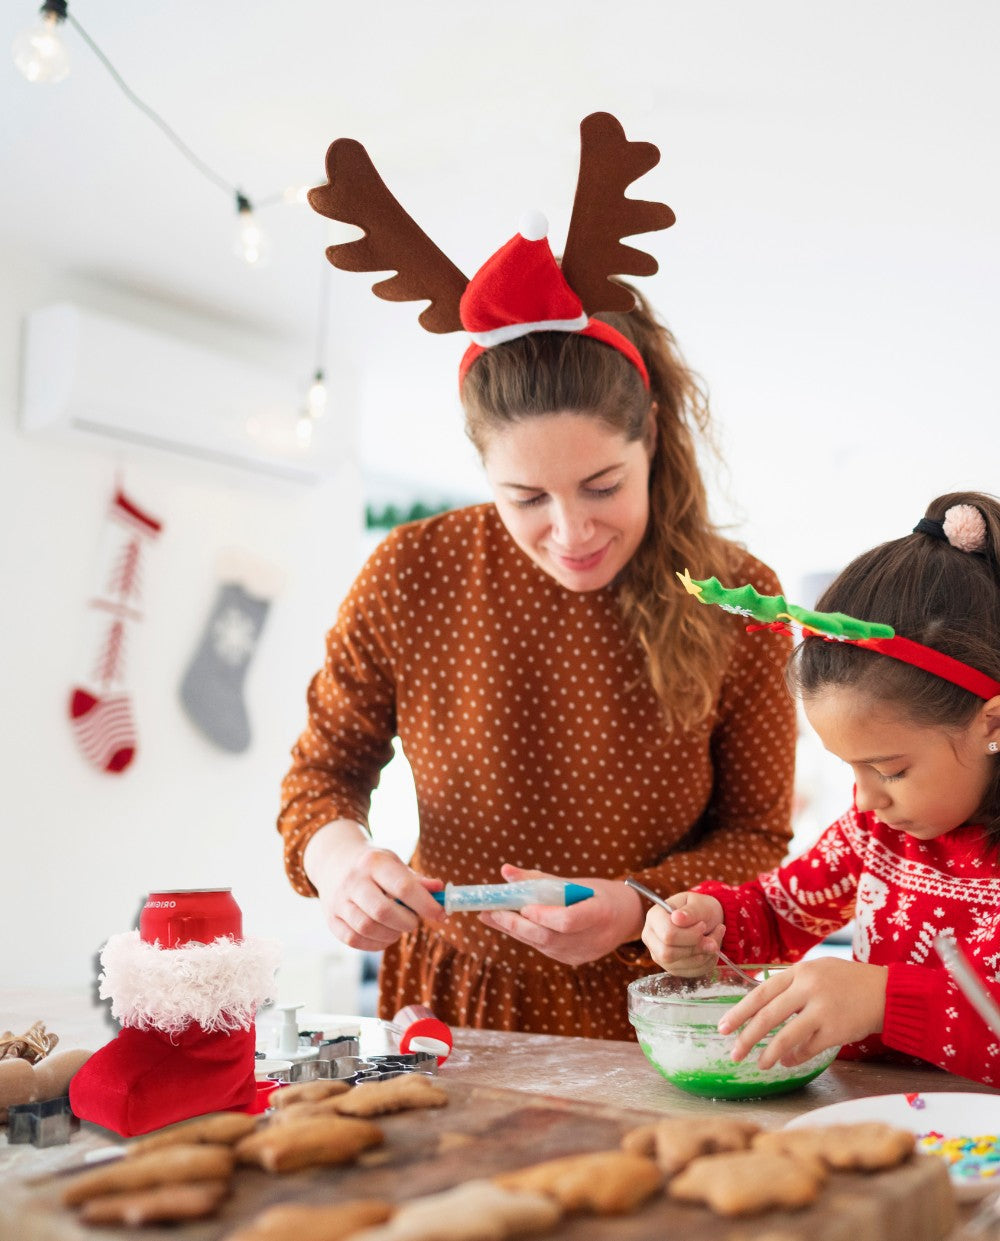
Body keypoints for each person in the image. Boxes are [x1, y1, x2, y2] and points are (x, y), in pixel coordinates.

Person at [277, 113, 797, 1040]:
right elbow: (321, 775)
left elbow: (759, 838)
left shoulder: (736, 600)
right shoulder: (411, 573)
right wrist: (343, 862)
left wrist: (641, 903)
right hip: (450, 1005)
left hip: (666, 1013)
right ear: (483, 475)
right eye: (526, 497)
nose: (570, 532)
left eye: (603, 485)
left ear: (653, 444)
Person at [642, 492, 1000, 1086]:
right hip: (886, 1131)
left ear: (992, 724)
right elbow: (778, 913)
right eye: (849, 769)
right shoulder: (872, 833)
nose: (863, 801)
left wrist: (883, 999)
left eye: (889, 770)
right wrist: (711, 924)